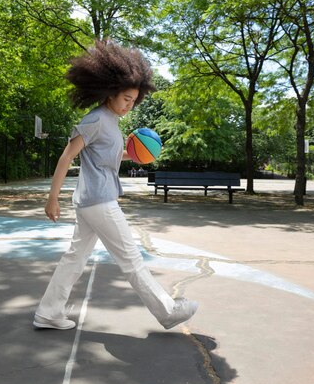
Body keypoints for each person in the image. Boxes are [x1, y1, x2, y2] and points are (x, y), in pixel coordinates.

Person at [33, 40, 198, 330]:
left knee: (74, 258)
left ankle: (48, 312)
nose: (129, 105)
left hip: (90, 202)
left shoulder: (112, 121)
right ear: (110, 93)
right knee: (131, 259)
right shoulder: (96, 119)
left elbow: (105, 157)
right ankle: (168, 311)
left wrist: (134, 155)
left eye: (134, 100)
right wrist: (52, 198)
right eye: (126, 99)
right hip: (99, 201)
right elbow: (67, 155)